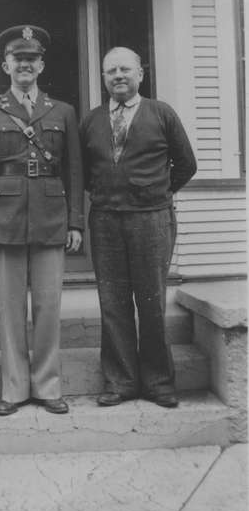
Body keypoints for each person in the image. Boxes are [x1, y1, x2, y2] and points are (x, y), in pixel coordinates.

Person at [0, 25, 84, 416]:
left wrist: (75, 223)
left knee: (49, 308)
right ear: (6, 65)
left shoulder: (63, 111)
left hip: (52, 219)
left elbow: (74, 172)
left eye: (31, 58)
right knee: (11, 308)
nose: (25, 64)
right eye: (18, 59)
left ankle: (48, 386)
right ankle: (15, 389)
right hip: (4, 221)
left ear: (41, 65)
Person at [80, 46, 197, 408]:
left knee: (150, 302)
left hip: (151, 219)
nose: (118, 76)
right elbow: (84, 172)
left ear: (140, 74)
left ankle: (159, 382)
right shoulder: (92, 120)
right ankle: (121, 382)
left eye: (125, 70)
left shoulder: (161, 113)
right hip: (105, 220)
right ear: (103, 78)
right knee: (113, 302)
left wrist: (156, 192)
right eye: (111, 71)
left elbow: (186, 164)